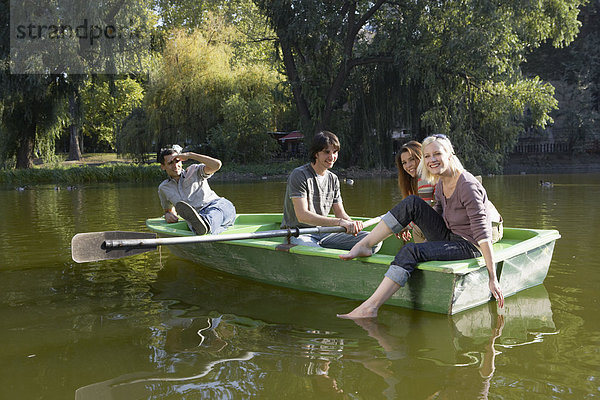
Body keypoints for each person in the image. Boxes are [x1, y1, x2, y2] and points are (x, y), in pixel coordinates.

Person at [337, 134, 504, 319]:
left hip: (469, 245)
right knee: (412, 203)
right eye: (427, 156)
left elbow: (482, 235)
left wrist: (492, 277)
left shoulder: (467, 185)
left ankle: (370, 307)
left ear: (450, 154)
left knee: (411, 251)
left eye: (437, 154)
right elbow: (434, 215)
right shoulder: (441, 182)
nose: (432, 160)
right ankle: (365, 244)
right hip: (449, 235)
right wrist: (406, 225)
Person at [281, 130, 378, 251]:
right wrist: (340, 222)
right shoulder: (299, 175)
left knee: (374, 240)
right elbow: (302, 216)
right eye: (327, 152)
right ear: (316, 153)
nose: (332, 157)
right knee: (315, 252)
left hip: (325, 232)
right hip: (300, 233)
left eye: (335, 152)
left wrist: (352, 224)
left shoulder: (333, 179)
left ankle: (344, 260)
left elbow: (340, 213)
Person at [157, 146, 236, 235]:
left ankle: (205, 224)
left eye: (177, 161)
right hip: (197, 219)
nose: (175, 165)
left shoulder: (194, 170)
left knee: (214, 213)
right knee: (211, 231)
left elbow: (217, 165)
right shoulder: (164, 188)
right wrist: (168, 215)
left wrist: (190, 155)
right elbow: (168, 210)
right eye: (170, 163)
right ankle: (207, 228)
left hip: (218, 206)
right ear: (163, 166)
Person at [396, 140, 435, 243]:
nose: (408, 165)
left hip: (447, 227)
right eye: (404, 163)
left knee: (418, 228)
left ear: (421, 157)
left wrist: (407, 226)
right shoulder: (420, 179)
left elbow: (424, 212)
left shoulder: (425, 178)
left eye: (412, 159)